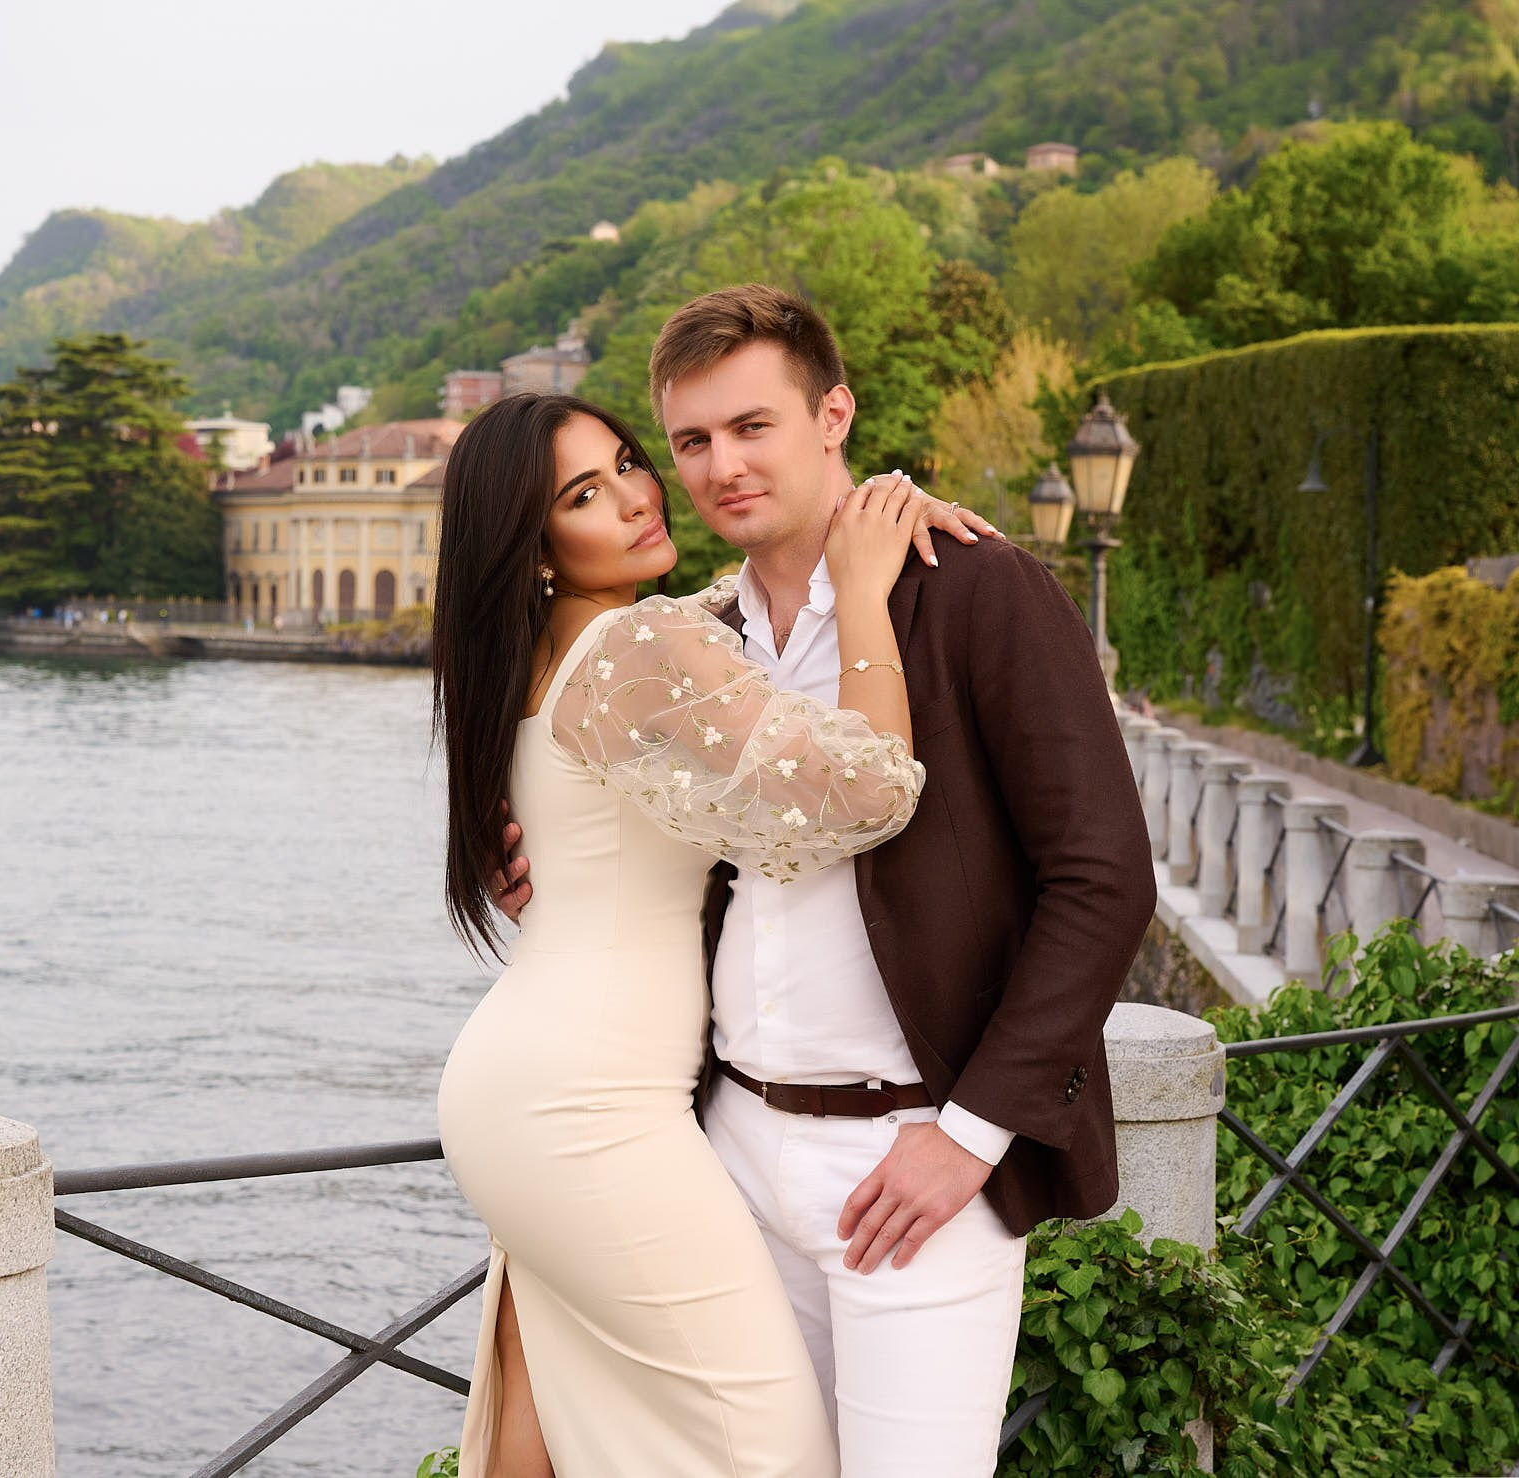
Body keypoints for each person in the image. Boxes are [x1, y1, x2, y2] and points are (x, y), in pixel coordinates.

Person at [500, 285, 1157, 1474]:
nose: (718, 466)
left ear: (832, 415)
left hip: (912, 1155)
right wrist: (545, 856)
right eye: (690, 440)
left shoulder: (971, 587)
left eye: (752, 426)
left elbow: (1102, 875)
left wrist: (970, 1132)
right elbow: (645, 840)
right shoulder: (694, 638)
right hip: (726, 1151)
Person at [432, 390, 990, 1477]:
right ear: (535, 546)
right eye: (583, 495)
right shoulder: (638, 645)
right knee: (765, 1447)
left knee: (538, 1424)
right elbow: (867, 792)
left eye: (628, 461)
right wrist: (862, 586)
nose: (638, 493)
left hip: (530, 1084)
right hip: (584, 1105)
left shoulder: (537, 654)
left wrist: (825, 538)